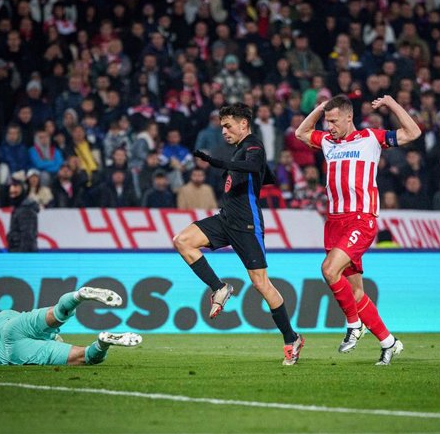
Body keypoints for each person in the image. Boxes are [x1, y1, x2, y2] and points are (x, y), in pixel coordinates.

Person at [172, 103, 304, 366]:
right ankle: (219, 288)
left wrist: (216, 162)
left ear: (244, 124)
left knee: (261, 284)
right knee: (182, 241)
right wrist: (262, 177)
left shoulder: (253, 145)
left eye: (228, 125)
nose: (223, 130)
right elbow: (263, 174)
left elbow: (255, 164)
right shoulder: (241, 150)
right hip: (225, 219)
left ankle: (292, 338)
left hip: (247, 226)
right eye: (221, 126)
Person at [295, 94, 422, 365]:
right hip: (334, 222)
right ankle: (389, 343)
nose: (328, 126)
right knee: (355, 293)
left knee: (329, 270)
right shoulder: (328, 142)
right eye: (327, 121)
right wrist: (320, 108)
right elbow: (301, 132)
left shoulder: (371, 138)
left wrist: (391, 104)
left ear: (349, 117)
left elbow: (413, 132)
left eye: (333, 120)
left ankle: (354, 325)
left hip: (361, 220)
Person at [0, 287, 141, 366]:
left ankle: (103, 343)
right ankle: (78, 296)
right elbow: (37, 328)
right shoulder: (3, 315)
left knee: (84, 357)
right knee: (55, 313)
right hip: (13, 326)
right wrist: (52, 335)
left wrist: (53, 340)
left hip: (15, 351)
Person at [6, 179, 39, 252]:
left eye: (15, 192)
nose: (12, 196)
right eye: (11, 193)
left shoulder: (25, 209)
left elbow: (27, 237)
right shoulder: (19, 208)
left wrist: (22, 258)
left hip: (22, 255)